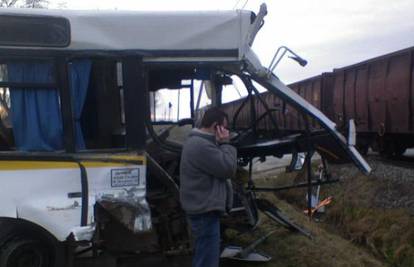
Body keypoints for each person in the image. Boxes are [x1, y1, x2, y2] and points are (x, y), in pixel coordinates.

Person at [180, 107, 237, 267]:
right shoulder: (201, 146)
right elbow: (228, 168)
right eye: (224, 127)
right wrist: (226, 143)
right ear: (215, 126)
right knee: (207, 261)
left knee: (204, 255)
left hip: (202, 210)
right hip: (204, 213)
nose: (226, 131)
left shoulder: (200, 142)